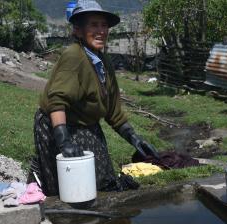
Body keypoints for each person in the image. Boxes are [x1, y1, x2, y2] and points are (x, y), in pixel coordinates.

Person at [31, 0, 159, 196]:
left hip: (87, 127)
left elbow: (112, 110)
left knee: (104, 182)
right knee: (71, 189)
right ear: (78, 30)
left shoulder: (103, 61)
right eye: (93, 25)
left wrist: (134, 139)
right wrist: (64, 141)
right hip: (60, 126)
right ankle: (38, 173)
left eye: (104, 25)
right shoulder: (74, 56)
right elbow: (57, 100)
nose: (101, 31)